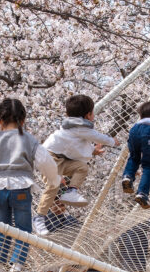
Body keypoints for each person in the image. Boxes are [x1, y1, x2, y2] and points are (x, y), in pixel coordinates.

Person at [0, 98, 59, 272]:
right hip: (21, 188)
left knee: (3, 227)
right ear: (23, 120)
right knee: (23, 229)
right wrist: (54, 180)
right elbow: (45, 162)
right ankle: (17, 264)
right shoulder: (29, 140)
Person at [33, 94, 118, 235]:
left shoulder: (74, 127)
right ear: (88, 115)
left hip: (60, 159)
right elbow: (96, 137)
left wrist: (92, 151)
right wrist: (112, 141)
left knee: (82, 167)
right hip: (50, 158)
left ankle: (71, 191)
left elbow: (75, 145)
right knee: (53, 186)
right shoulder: (80, 127)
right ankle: (39, 218)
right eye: (93, 113)